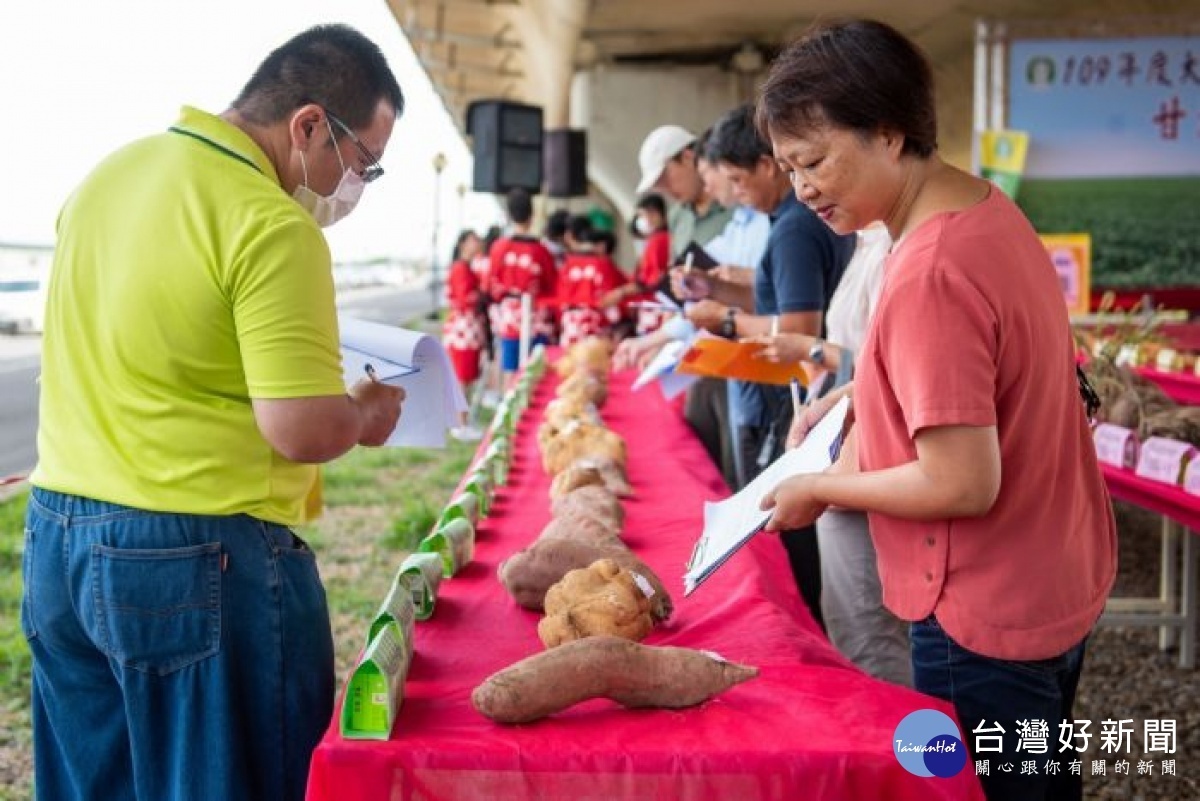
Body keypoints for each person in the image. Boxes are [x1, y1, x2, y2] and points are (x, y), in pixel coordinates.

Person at [23, 24, 406, 801]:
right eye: (361, 162)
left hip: (56, 538)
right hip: (191, 556)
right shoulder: (270, 223)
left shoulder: (108, 177)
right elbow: (300, 428)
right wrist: (364, 413)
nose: (354, 187)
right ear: (307, 125)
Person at [756, 20, 1117, 801]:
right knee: (1042, 772)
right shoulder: (985, 209)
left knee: (987, 787)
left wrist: (819, 490)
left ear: (889, 133)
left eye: (814, 161)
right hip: (1054, 566)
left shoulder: (929, 269)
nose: (804, 189)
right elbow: (991, 367)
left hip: (984, 607)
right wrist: (859, 391)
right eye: (789, 169)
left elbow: (960, 482)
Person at [677, 104, 856, 627]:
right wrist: (720, 294)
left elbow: (797, 328)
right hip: (798, 395)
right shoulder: (788, 224)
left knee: (797, 551)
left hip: (792, 403)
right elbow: (774, 301)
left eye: (736, 180)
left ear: (766, 165)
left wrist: (729, 322)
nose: (734, 193)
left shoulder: (795, 230)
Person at [745, 223, 911, 686]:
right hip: (848, 452)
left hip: (866, 463)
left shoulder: (903, 250)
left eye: (812, 164)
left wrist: (811, 350)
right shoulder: (868, 242)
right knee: (857, 624)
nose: (805, 188)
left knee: (869, 634)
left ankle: (902, 752)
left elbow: (891, 371)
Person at [487, 189, 558, 384]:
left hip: (509, 317)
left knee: (511, 372)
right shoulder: (541, 250)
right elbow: (552, 285)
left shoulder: (498, 247)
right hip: (537, 317)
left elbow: (489, 285)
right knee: (535, 372)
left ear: (509, 214)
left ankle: (509, 409)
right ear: (532, 214)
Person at [601, 193, 673, 335]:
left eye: (645, 215)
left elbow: (650, 281)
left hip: (655, 308)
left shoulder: (659, 240)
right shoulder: (657, 240)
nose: (642, 220)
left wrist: (621, 292)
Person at [558, 221, 629, 346]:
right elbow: (614, 302)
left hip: (570, 326)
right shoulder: (604, 265)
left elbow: (559, 298)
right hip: (597, 328)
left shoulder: (568, 265)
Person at [442, 229, 486, 397]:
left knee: (465, 377)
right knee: (462, 377)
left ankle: (461, 420)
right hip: (463, 330)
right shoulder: (461, 268)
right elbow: (465, 299)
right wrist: (481, 295)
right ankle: (460, 421)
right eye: (473, 240)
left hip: (468, 329)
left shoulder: (465, 266)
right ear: (463, 245)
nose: (477, 243)